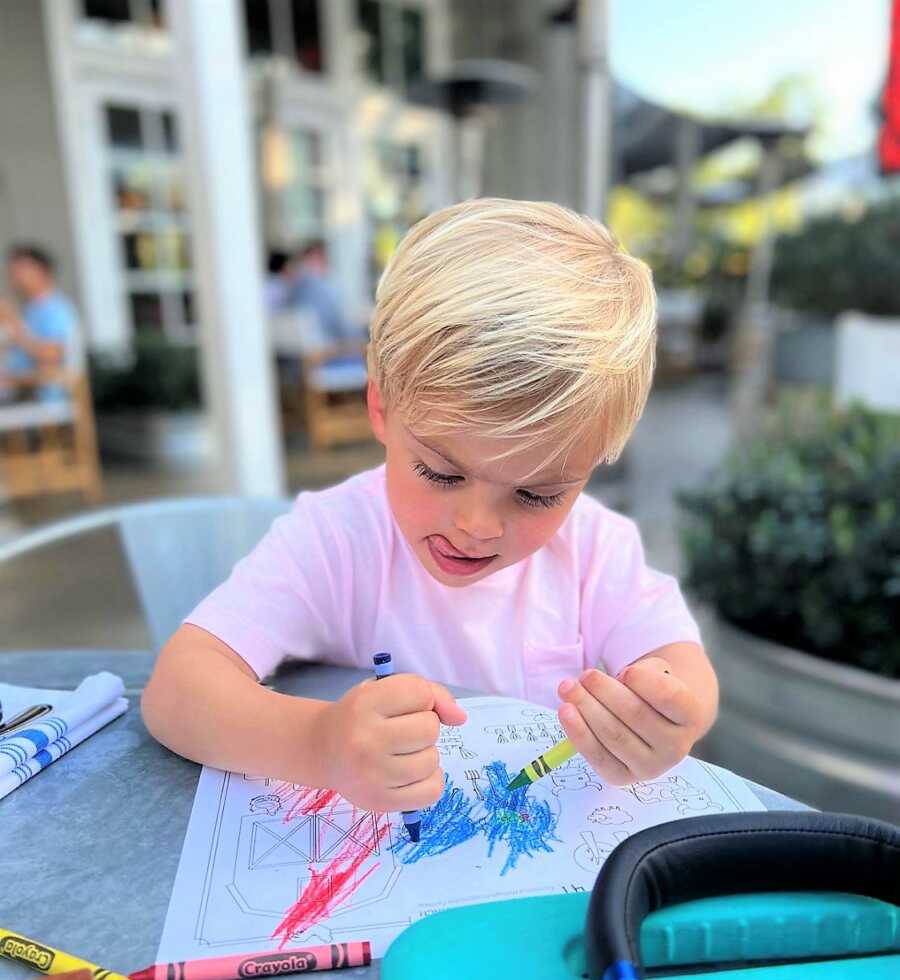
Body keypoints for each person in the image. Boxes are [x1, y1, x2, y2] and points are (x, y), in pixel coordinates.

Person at [143, 199, 719, 816]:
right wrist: (318, 744)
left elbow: (681, 667)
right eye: (440, 472)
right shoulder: (337, 539)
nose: (477, 525)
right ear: (382, 408)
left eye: (537, 493)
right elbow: (177, 691)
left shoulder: (593, 549)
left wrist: (663, 716)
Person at [0, 244, 81, 403]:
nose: (14, 276)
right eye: (12, 271)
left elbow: (51, 355)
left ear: (43, 270)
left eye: (20, 269)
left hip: (41, 396)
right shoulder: (31, 311)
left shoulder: (57, 309)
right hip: (19, 393)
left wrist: (14, 324)